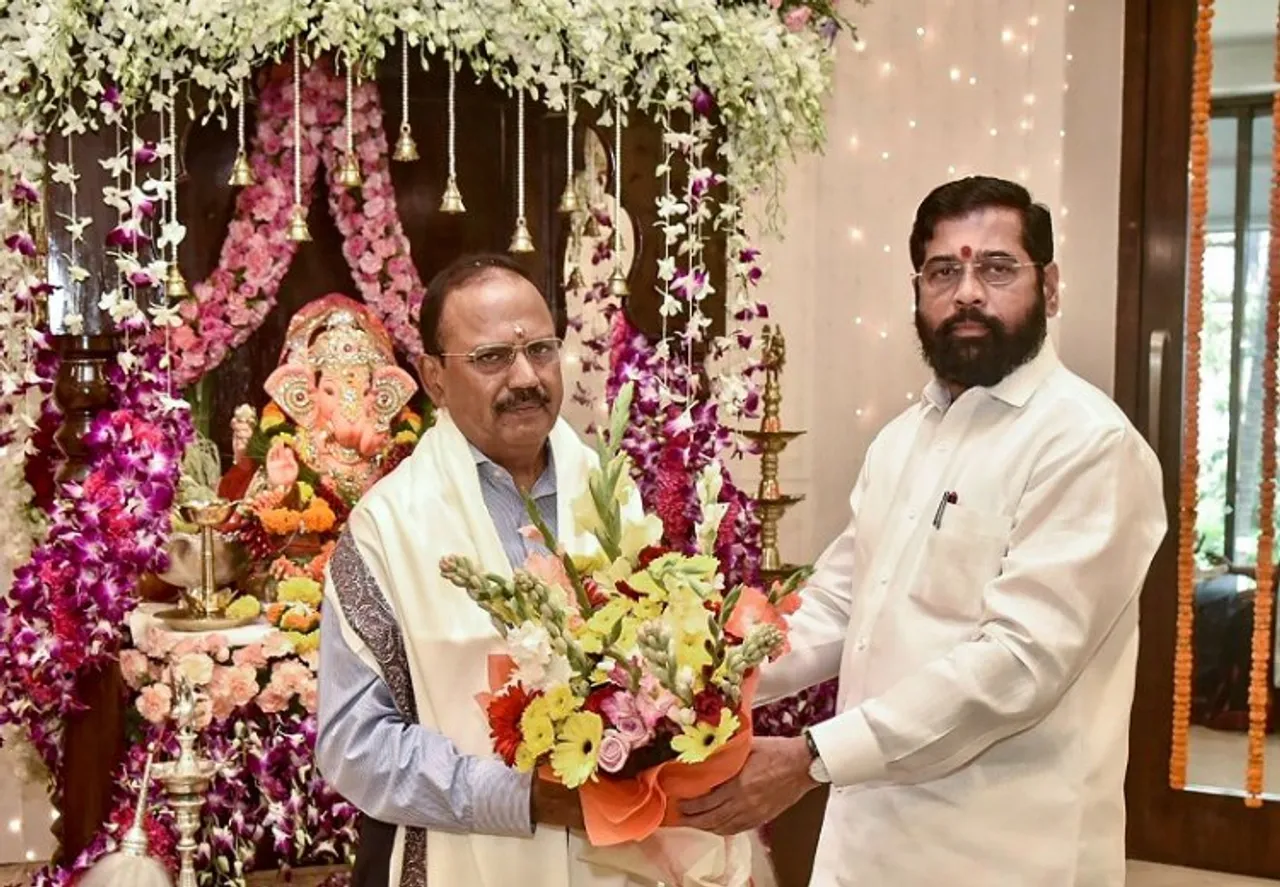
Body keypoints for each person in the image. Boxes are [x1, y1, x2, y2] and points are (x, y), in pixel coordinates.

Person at [680, 176, 1168, 887]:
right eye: (944, 271)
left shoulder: (1089, 445)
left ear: (1051, 286)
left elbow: (1016, 666)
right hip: (870, 843)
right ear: (917, 291)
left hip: (1000, 854)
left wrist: (812, 755)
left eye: (996, 268)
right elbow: (836, 605)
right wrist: (692, 681)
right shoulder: (903, 439)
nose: (967, 292)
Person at [317, 254, 637, 887]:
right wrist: (519, 799)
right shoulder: (388, 528)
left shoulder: (614, 495)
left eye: (541, 351)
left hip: (620, 856)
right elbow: (355, 745)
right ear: (434, 378)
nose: (526, 377)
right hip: (453, 859)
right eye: (492, 358)